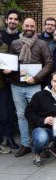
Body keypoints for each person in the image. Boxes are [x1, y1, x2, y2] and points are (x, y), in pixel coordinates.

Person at [4, 18, 53, 157]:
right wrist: (9, 69)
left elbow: (49, 63)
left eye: (32, 25)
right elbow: (11, 62)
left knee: (39, 115)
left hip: (34, 85)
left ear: (35, 27)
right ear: (23, 26)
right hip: (17, 86)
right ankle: (25, 144)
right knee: (21, 115)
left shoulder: (41, 44)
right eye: (27, 25)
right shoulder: (15, 43)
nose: (29, 28)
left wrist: (36, 77)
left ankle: (40, 144)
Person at [0, 9, 21, 149]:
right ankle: (2, 139)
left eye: (15, 19)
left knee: (11, 111)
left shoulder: (21, 37)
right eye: (10, 18)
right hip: (1, 79)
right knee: (3, 112)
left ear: (18, 22)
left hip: (15, 78)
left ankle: (10, 138)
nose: (13, 21)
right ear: (6, 20)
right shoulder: (1, 35)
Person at [0, 36, 12, 154]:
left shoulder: (4, 46)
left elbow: (8, 63)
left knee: (3, 116)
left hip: (2, 87)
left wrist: (8, 68)